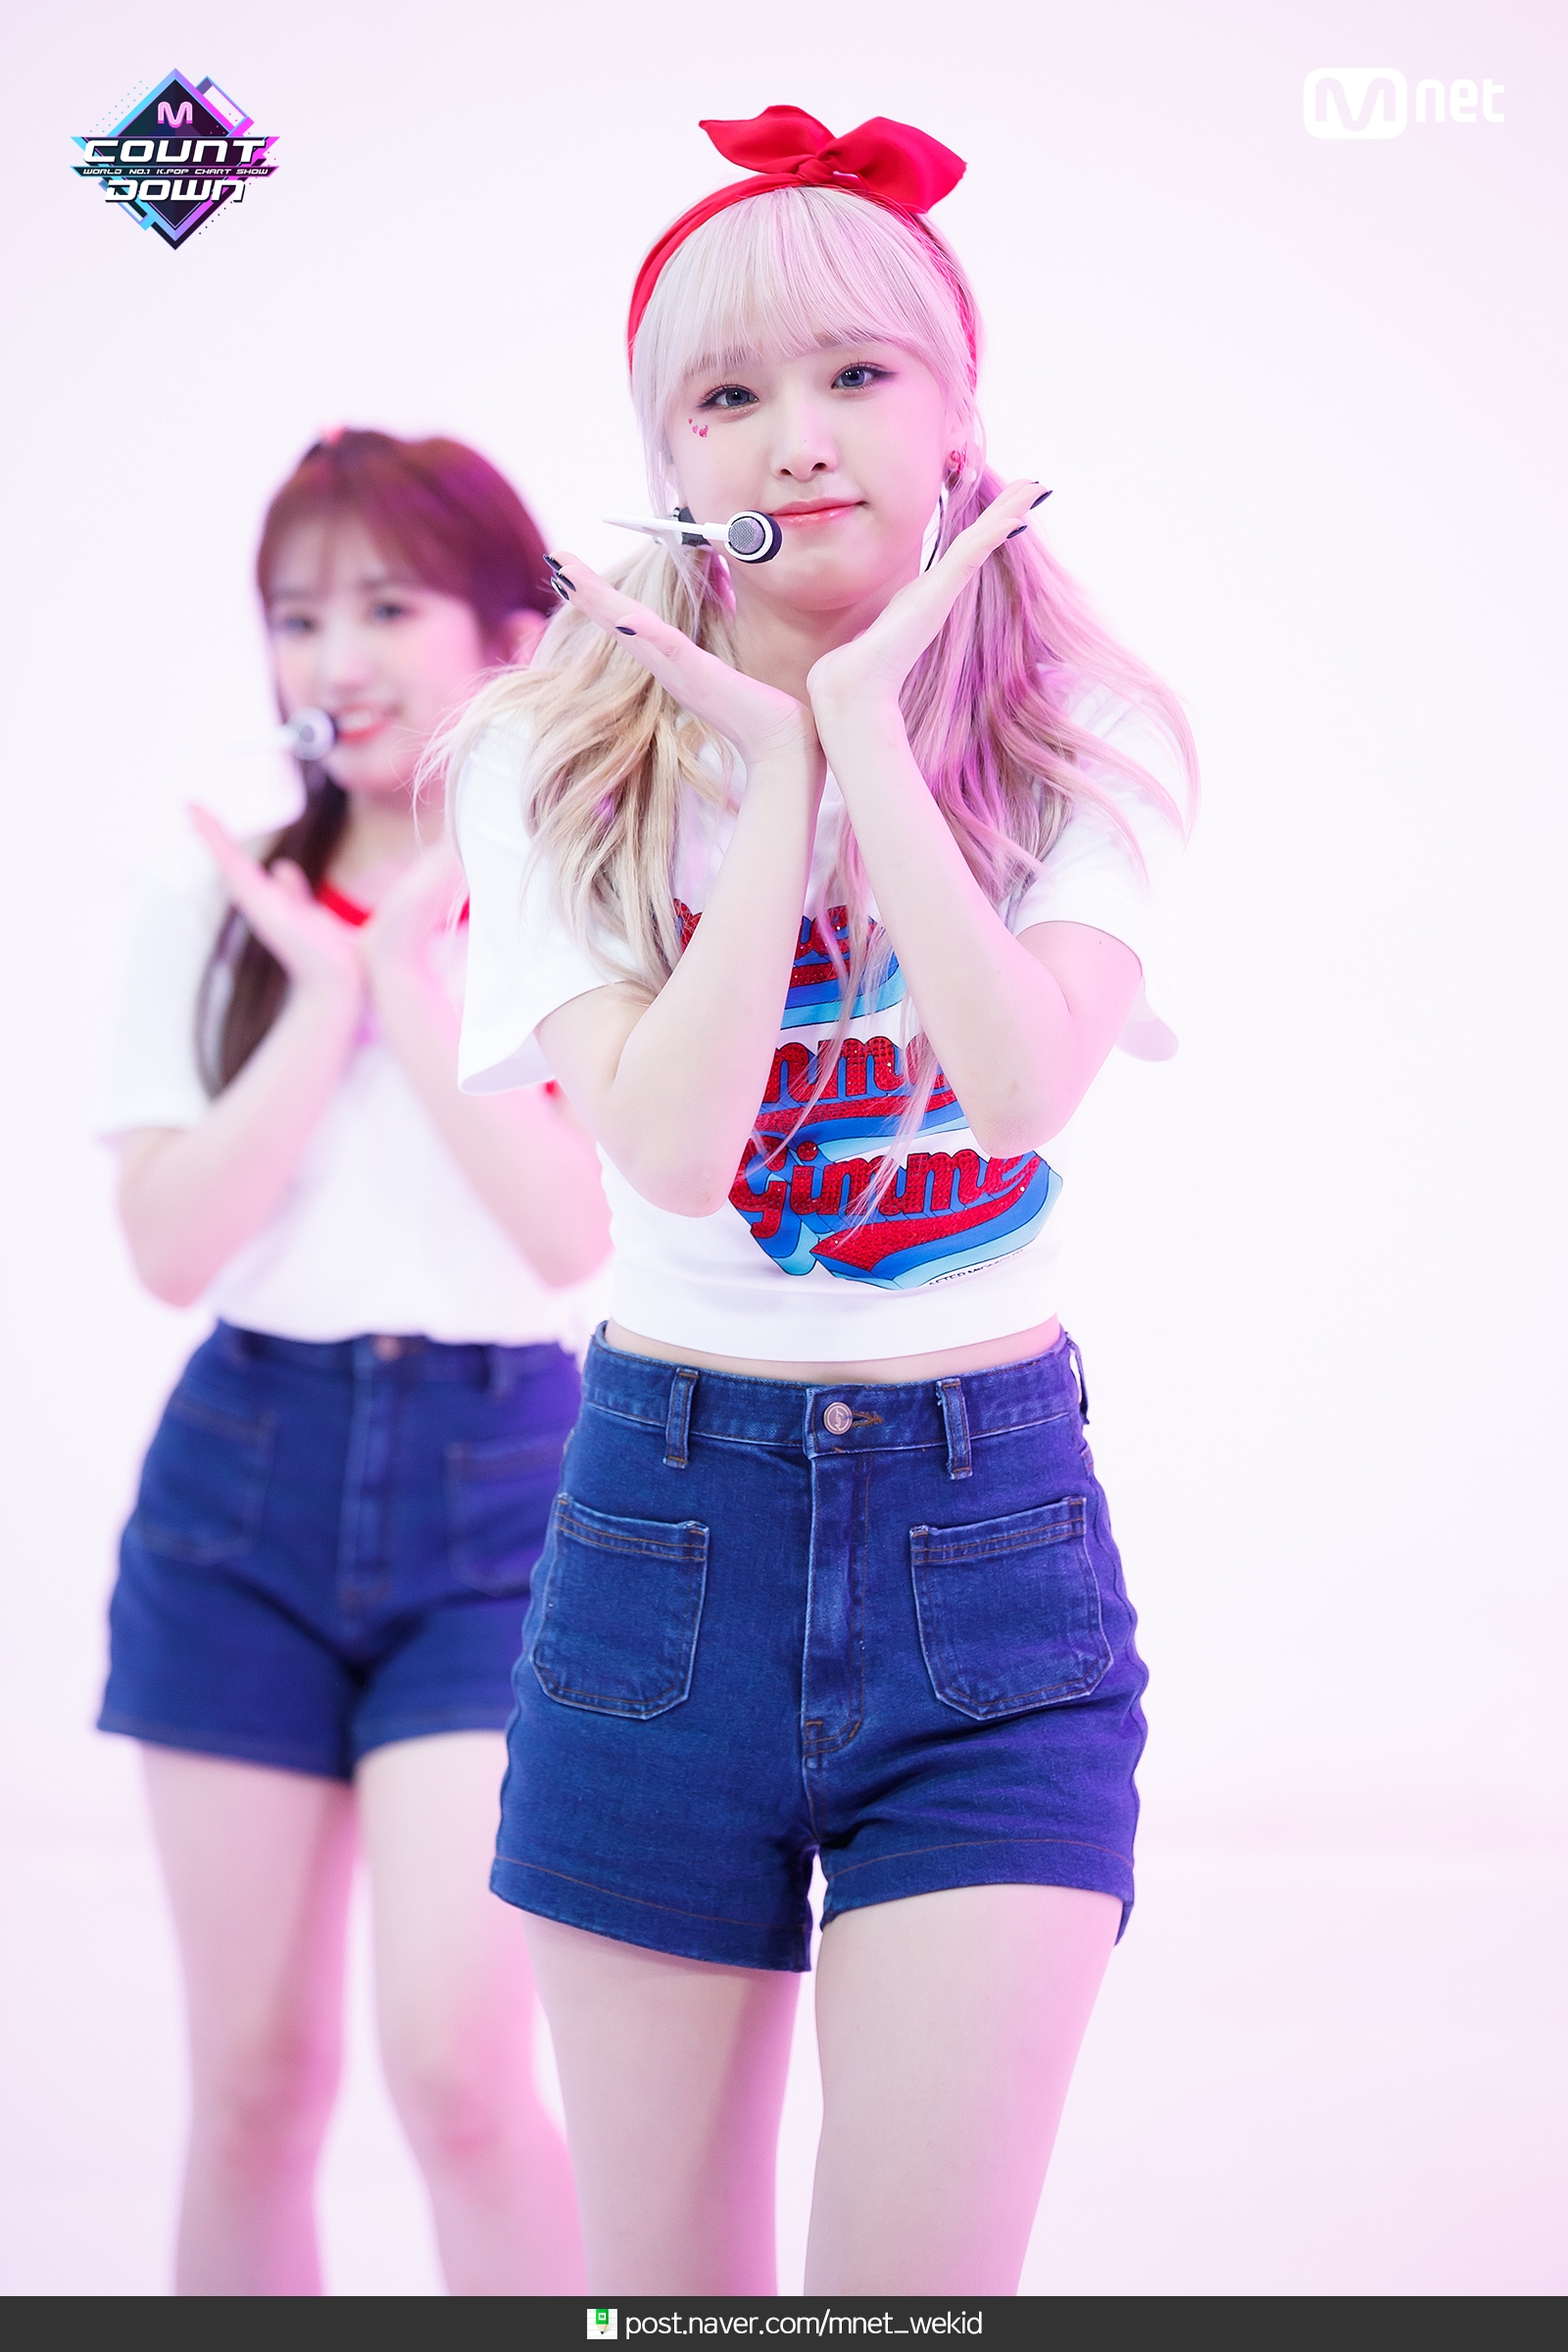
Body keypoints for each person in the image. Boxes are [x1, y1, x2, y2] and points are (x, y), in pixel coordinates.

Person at [451, 108, 1197, 2294]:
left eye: (858, 373)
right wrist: (776, 768)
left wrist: (870, 732)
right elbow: (671, 1153)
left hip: (989, 1560)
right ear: (667, 451)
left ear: (958, 411)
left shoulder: (1078, 740)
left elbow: (1016, 1089)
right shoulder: (551, 759)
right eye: (727, 393)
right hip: (661, 1550)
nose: (797, 435)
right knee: (672, 2306)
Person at [98, 429, 607, 2295]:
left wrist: (410, 971)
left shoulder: (581, 893)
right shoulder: (216, 910)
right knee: (253, 2086)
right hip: (243, 1482)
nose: (336, 658)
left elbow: (568, 1236)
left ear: (507, 637)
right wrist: (322, 993)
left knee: (461, 2078)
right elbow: (170, 1250)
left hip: (505, 1495)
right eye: (299, 617)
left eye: (387, 607)